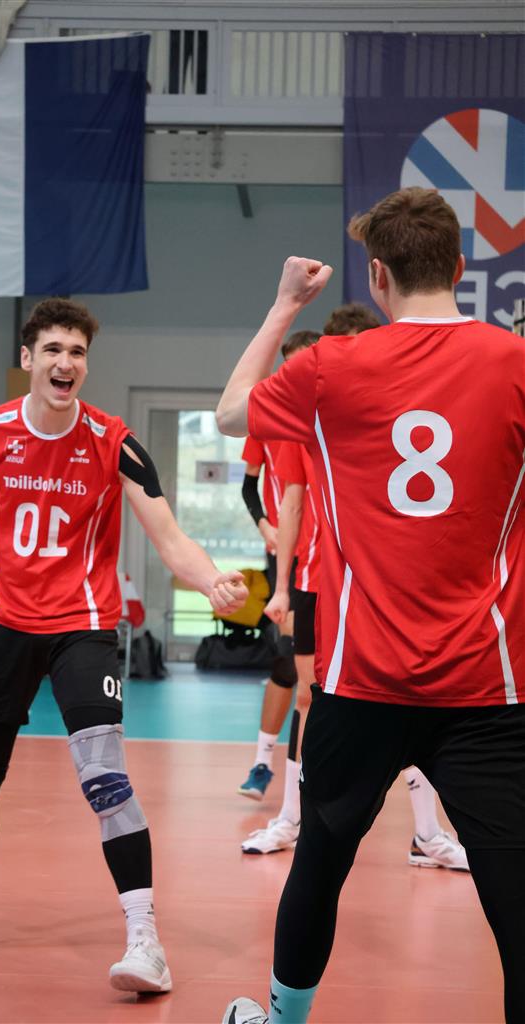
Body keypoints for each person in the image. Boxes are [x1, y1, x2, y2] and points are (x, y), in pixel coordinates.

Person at [0, 298, 248, 993]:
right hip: (5, 625)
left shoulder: (113, 439)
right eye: (53, 350)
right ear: (28, 359)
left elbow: (168, 533)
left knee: (105, 778)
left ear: (86, 364)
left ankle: (145, 941)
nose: (66, 363)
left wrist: (211, 580)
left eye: (77, 352)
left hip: (82, 626)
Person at [217, 187, 524, 1023]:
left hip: (363, 682)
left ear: (377, 275)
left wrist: (285, 306)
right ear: (458, 267)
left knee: (320, 862)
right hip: (486, 686)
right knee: (513, 889)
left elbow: (231, 412)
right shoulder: (512, 363)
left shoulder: (328, 367)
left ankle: (282, 1019)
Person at [243, 310, 467, 870]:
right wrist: (283, 586)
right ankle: (289, 818)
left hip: (379, 581)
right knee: (306, 695)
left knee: (408, 698)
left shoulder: (397, 412)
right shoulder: (308, 419)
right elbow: (291, 501)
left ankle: (427, 833)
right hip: (318, 581)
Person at [237, 330, 317, 801]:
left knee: (320, 671)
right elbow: (250, 486)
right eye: (292, 364)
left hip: (331, 556)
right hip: (287, 554)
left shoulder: (330, 419)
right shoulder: (269, 420)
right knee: (289, 660)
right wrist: (265, 525)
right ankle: (264, 764)